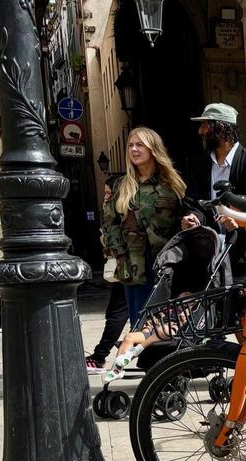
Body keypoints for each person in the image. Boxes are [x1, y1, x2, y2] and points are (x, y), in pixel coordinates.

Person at [102, 127, 186, 326]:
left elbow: (184, 217)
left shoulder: (172, 184)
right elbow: (109, 223)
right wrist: (119, 252)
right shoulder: (121, 186)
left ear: (153, 149)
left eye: (140, 145)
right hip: (133, 265)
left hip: (165, 264)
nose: (134, 149)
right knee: (140, 324)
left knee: (167, 324)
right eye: (130, 145)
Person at [181, 103, 246, 280]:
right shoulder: (200, 164)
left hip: (242, 255)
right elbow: (193, 201)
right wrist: (193, 217)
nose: (200, 131)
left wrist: (239, 220)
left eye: (205, 125)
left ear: (221, 128)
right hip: (208, 253)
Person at [86, 178, 129, 373]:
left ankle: (100, 356)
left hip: (128, 270)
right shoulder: (113, 213)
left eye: (108, 193)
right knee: (115, 314)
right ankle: (104, 353)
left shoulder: (122, 213)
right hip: (125, 270)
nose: (105, 197)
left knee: (116, 315)